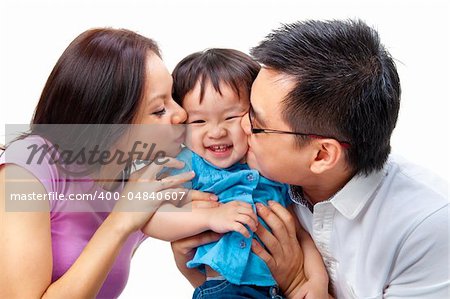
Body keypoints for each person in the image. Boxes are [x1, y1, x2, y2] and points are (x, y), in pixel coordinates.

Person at [171, 20, 449, 298]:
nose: (240, 128)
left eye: (255, 122)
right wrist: (196, 273)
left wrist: (293, 282)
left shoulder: (425, 228)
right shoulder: (265, 177)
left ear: (321, 155)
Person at [0, 28, 215, 298]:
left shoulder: (135, 179)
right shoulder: (29, 165)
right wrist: (121, 220)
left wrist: (191, 271)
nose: (181, 114)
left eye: (172, 97)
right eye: (159, 110)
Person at [142, 48, 328, 298]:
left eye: (231, 117)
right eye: (199, 122)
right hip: (223, 289)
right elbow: (151, 218)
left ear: (254, 116)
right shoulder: (188, 165)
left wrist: (318, 281)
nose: (216, 132)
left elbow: (301, 235)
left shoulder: (271, 166)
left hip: (278, 289)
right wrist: (210, 218)